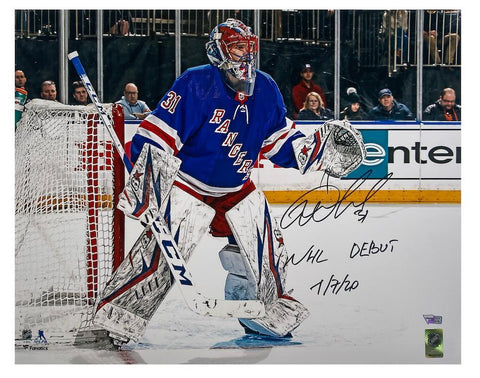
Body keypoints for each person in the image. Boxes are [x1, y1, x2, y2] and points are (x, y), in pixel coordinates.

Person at [93, 19, 364, 345]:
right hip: (188, 186)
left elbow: (279, 143)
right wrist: (148, 183)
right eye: (237, 48)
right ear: (219, 51)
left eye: (249, 49)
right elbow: (158, 134)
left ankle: (258, 310)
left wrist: (317, 150)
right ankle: (119, 316)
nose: (245, 56)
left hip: (236, 188)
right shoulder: (195, 84)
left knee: (265, 248)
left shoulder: (265, 89)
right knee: (161, 255)